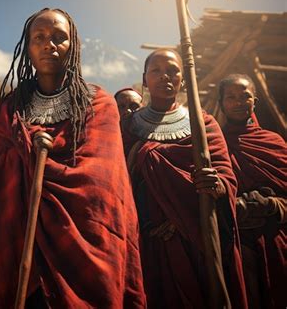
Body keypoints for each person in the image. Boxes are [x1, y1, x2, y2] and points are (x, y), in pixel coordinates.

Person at [0, 8, 146, 308]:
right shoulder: (6, 111)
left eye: (59, 37)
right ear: (27, 47)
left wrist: (38, 163)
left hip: (79, 251)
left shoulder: (98, 104)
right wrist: (26, 159)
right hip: (9, 243)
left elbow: (101, 187)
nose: (48, 44)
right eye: (39, 37)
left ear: (74, 45)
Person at [121, 49, 247, 308]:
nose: (165, 76)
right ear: (144, 80)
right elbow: (116, 181)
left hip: (194, 240)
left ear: (184, 79)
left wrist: (217, 184)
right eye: (156, 70)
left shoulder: (203, 123)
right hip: (146, 241)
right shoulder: (128, 127)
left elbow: (226, 174)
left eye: (173, 70)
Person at [219, 74, 286, 309]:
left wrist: (271, 204)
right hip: (238, 244)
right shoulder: (214, 146)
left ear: (254, 101)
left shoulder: (274, 142)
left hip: (277, 240)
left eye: (245, 96)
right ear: (222, 104)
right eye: (231, 97)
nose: (238, 102)